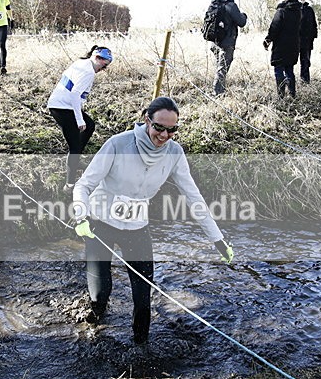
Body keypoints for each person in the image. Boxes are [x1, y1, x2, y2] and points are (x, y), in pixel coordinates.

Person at [72, 97, 234, 345]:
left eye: (172, 129)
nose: (164, 135)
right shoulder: (118, 144)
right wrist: (81, 215)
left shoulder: (174, 153)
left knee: (143, 293)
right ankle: (92, 331)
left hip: (137, 227)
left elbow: (193, 197)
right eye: (159, 127)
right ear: (147, 120)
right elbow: (84, 184)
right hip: (99, 224)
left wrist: (217, 239)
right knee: (101, 293)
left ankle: (140, 346)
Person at [47, 45, 113, 191]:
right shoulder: (88, 71)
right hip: (62, 107)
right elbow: (75, 95)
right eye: (104, 65)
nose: (103, 69)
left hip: (62, 104)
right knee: (75, 145)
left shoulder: (81, 62)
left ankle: (75, 160)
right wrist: (79, 119)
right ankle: (69, 185)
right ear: (97, 58)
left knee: (90, 126)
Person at [209, 0, 248, 95]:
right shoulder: (230, 4)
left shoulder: (214, 2)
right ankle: (217, 94)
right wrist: (244, 15)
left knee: (220, 67)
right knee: (222, 68)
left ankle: (220, 90)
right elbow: (241, 22)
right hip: (226, 42)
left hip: (213, 41)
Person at [263, 0, 302, 98]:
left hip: (281, 46)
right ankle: (292, 94)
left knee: (279, 69)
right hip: (294, 45)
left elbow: (274, 28)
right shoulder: (298, 11)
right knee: (289, 69)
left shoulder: (281, 11)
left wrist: (268, 40)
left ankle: (281, 95)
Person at [296, 0, 318, 84]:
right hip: (295, 40)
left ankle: (305, 81)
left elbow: (314, 24)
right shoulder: (293, 9)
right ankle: (290, 81)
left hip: (307, 41)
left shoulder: (309, 9)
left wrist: (313, 36)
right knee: (290, 62)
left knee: (306, 62)